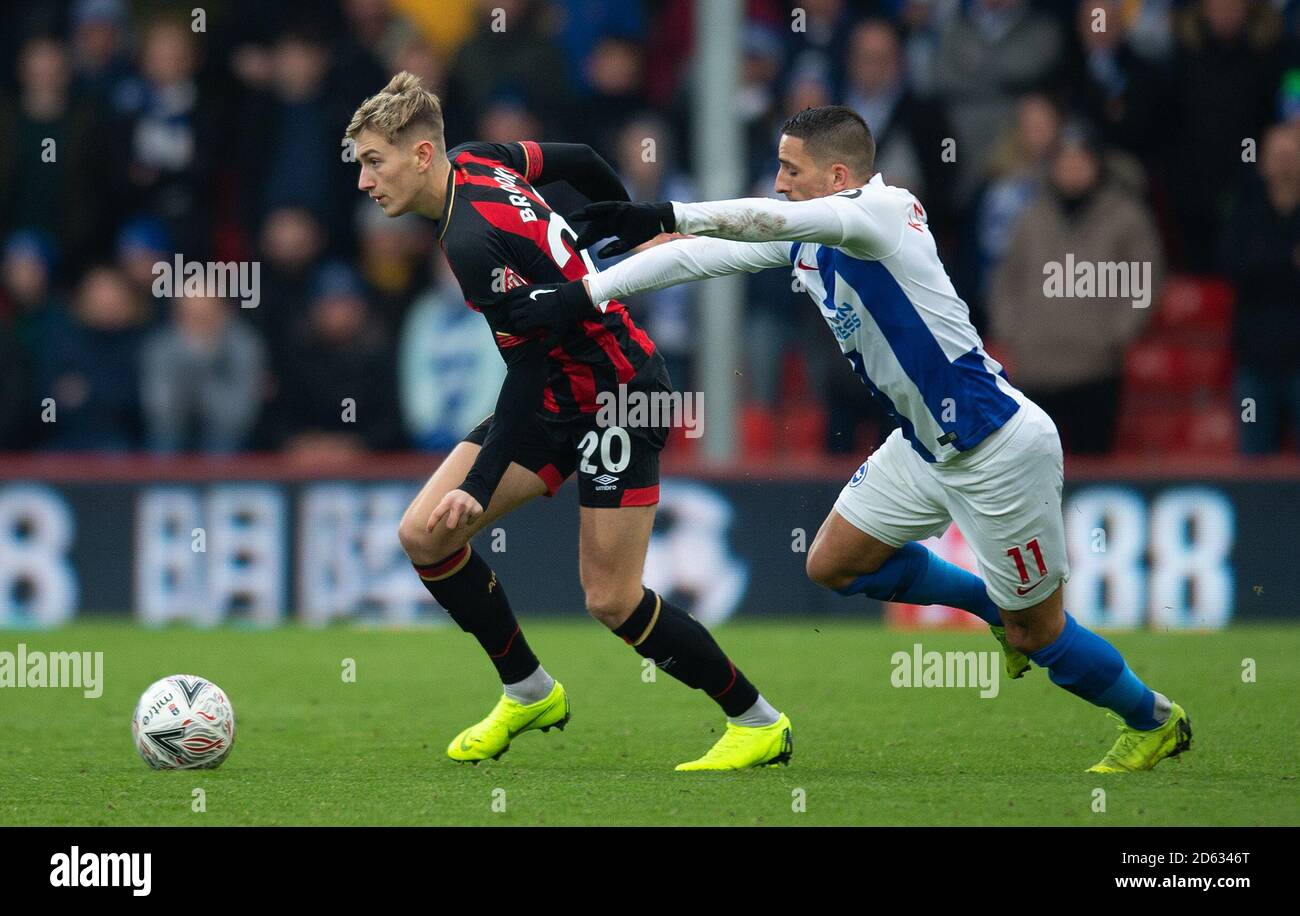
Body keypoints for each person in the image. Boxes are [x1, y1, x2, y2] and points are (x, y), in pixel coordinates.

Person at [500, 105, 1191, 774]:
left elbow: (758, 217)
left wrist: (668, 210)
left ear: (837, 177)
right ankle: (990, 604)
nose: (778, 182)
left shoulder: (881, 215)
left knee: (1038, 632)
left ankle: (1153, 720)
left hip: (996, 450)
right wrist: (583, 295)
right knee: (833, 564)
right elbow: (699, 258)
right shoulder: (815, 233)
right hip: (923, 447)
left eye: (790, 168)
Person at [345, 72, 792, 770]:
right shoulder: (480, 159)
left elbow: (522, 369)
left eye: (375, 161)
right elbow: (581, 158)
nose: (366, 181)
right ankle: (528, 689)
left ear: (422, 155)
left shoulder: (467, 241)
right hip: (557, 396)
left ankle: (756, 719)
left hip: (618, 392)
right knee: (423, 536)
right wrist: (621, 219)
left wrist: (482, 479)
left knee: (611, 599)